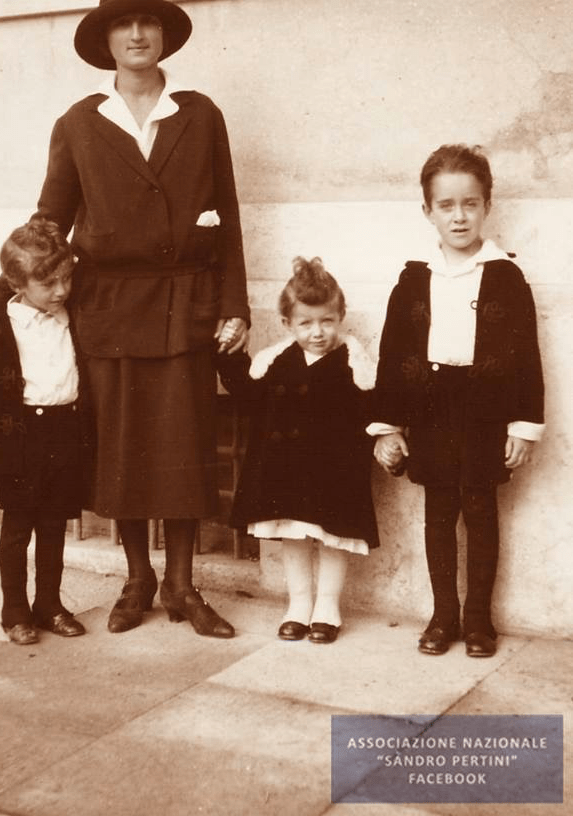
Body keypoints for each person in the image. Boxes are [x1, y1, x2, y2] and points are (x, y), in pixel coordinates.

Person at [0, 0, 250, 639]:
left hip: (186, 307)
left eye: (148, 23)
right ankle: (138, 580)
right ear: (105, 42)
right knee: (124, 455)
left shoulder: (200, 115)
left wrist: (234, 305)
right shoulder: (79, 124)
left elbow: (228, 216)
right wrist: (3, 290)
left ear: (163, 36)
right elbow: (49, 219)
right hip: (109, 313)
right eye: (123, 25)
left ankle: (183, 585)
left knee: (184, 452)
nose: (137, 34)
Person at [369, 144, 544, 658]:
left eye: (470, 203)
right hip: (431, 410)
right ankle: (443, 614)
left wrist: (523, 425)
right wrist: (388, 426)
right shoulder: (414, 278)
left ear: (487, 205)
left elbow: (526, 356)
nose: (459, 216)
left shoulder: (506, 276)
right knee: (439, 511)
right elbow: (392, 353)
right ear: (428, 211)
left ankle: (479, 619)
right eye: (446, 205)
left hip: (485, 411)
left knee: (481, 509)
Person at [218, 257, 378, 644]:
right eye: (305, 323)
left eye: (327, 321)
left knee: (333, 537)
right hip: (286, 470)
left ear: (340, 317)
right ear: (287, 323)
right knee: (294, 535)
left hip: (335, 472)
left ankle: (327, 607)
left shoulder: (355, 364)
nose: (317, 332)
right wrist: (229, 355)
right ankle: (299, 604)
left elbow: (374, 410)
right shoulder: (275, 361)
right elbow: (248, 395)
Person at [0, 218, 91, 645]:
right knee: (18, 530)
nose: (61, 290)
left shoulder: (70, 316)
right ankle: (15, 611)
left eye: (66, 279)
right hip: (19, 438)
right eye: (48, 283)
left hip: (64, 432)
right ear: (17, 283)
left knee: (54, 528)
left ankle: (49, 605)